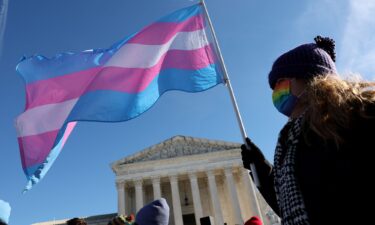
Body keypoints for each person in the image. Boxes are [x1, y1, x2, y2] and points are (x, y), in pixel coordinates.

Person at [241, 36, 374, 225]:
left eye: (281, 81)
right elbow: (295, 207)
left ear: (309, 79)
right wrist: (261, 169)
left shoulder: (358, 117)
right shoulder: (291, 140)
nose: (276, 91)